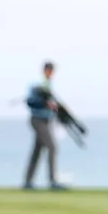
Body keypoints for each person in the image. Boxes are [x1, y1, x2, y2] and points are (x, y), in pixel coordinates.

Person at [24, 61, 65, 190]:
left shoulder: (49, 84)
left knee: (37, 151)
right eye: (49, 71)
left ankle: (28, 181)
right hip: (38, 120)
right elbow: (31, 101)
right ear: (45, 70)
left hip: (46, 120)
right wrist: (44, 103)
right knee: (52, 147)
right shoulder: (37, 84)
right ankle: (53, 181)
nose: (50, 73)